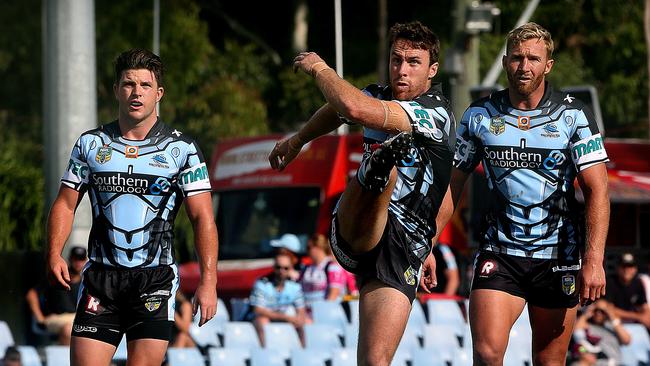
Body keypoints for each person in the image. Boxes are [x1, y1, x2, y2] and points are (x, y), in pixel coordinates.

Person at [269, 21, 456, 365]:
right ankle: (377, 171)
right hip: (355, 228)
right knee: (384, 171)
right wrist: (297, 141)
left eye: (413, 62)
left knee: (374, 360)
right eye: (396, 59)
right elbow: (339, 112)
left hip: (403, 248)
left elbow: (444, 200)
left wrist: (320, 68)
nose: (401, 70)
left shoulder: (436, 113)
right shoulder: (378, 94)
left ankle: (381, 165)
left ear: (432, 69)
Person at [432, 22, 610, 365]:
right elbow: (453, 184)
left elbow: (597, 190)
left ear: (548, 65)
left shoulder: (574, 115)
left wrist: (594, 259)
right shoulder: (479, 115)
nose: (524, 66)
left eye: (533, 58)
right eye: (516, 58)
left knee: (548, 360)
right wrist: (430, 244)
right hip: (499, 253)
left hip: (558, 256)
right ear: (504, 62)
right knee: (486, 354)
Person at [46, 49, 218, 366]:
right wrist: (55, 251)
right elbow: (65, 204)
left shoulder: (183, 149)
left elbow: (202, 218)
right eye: (128, 84)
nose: (136, 92)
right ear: (116, 90)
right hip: (100, 280)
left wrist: (209, 281)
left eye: (145, 85)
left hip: (154, 280)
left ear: (159, 93)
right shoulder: (90, 143)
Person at [25, 246, 88, 345]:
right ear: (70, 259)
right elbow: (31, 294)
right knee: (69, 329)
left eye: (81, 259)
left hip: (77, 319)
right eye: (75, 259)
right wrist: (39, 318)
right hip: (56, 318)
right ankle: (67, 359)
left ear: (85, 261)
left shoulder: (86, 283)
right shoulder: (57, 277)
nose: (78, 263)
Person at [249, 252, 308, 346]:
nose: (281, 271)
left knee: (306, 322)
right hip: (267, 318)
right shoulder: (262, 284)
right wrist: (286, 318)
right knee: (262, 321)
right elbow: (258, 310)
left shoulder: (295, 286)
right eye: (278, 267)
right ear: (274, 267)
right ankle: (265, 352)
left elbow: (301, 311)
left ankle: (303, 352)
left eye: (286, 268)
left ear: (290, 269)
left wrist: (299, 319)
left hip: (286, 318)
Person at [569, 299, 630, 366]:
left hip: (616, 362)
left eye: (602, 311)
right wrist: (587, 313)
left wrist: (612, 315)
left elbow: (627, 340)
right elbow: (576, 332)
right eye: (596, 310)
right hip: (597, 362)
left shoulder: (612, 326)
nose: (598, 313)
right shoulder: (586, 325)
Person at [300, 233, 347, 306]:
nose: (307, 251)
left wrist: (324, 313)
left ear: (318, 247)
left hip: (324, 311)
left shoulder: (333, 267)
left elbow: (333, 296)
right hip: (306, 313)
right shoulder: (306, 268)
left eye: (309, 247)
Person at [606, 252, 650, 328]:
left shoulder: (638, 282)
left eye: (630, 266)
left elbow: (644, 306)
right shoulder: (610, 282)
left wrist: (645, 317)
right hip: (612, 323)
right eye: (623, 266)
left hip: (633, 324)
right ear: (618, 268)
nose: (627, 270)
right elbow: (608, 308)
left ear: (635, 269)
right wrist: (637, 316)